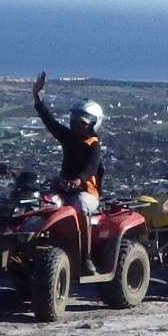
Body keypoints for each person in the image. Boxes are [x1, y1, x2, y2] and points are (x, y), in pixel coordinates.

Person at [31, 73, 106, 261]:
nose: (76, 125)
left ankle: (85, 256)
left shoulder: (93, 143)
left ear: (93, 124)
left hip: (86, 192)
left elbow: (92, 166)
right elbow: (51, 122)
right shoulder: (68, 137)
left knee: (80, 205)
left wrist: (79, 180)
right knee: (41, 202)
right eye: (74, 119)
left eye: (82, 122)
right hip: (64, 189)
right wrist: (38, 98)